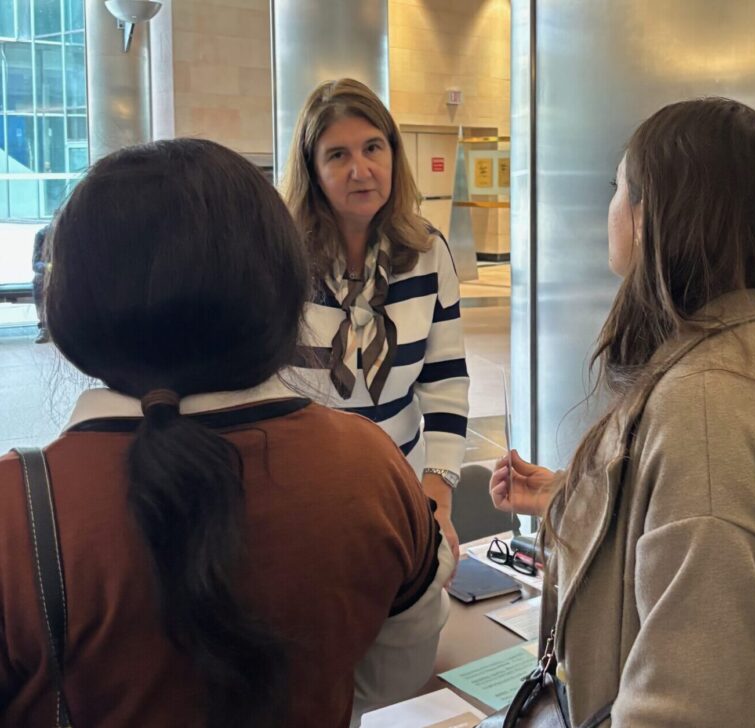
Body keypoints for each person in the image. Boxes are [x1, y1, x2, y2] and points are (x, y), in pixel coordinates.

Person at [0, 139, 453, 728]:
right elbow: (394, 674)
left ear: (69, 304)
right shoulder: (371, 468)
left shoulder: (18, 512)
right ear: (282, 283)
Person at [490, 98, 755, 727]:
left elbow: (692, 697)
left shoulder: (707, 402)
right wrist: (581, 498)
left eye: (620, 188)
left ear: (656, 216)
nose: (612, 208)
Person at [281, 78, 469, 559]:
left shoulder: (428, 253)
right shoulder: (278, 259)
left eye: (372, 148)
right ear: (312, 169)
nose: (360, 170)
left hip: (400, 490)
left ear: (393, 154)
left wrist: (435, 499)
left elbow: (445, 380)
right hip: (299, 498)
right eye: (337, 155)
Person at [31, 224, 50, 344]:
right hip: (49, 274)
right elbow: (35, 264)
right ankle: (45, 326)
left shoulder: (71, 234)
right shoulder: (42, 235)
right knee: (39, 281)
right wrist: (48, 267)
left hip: (69, 273)